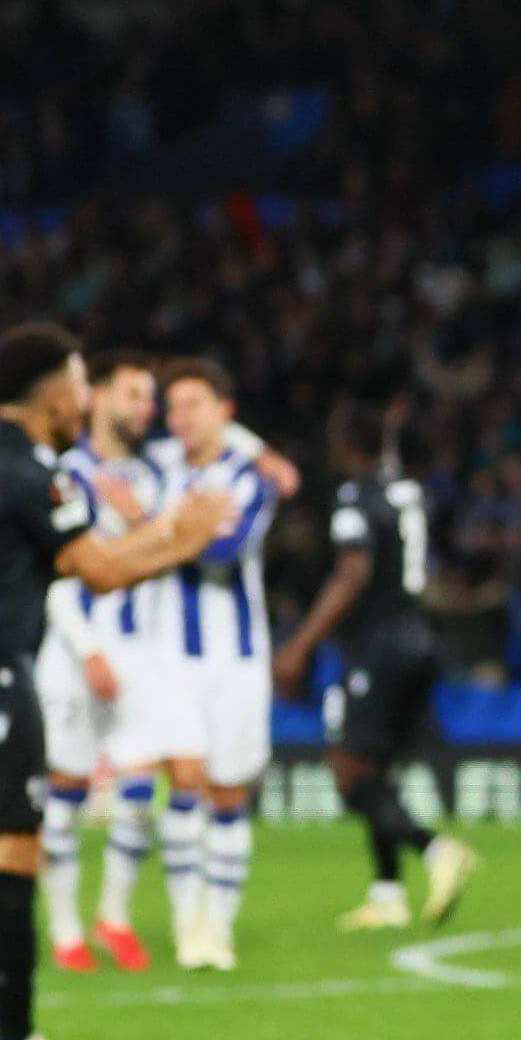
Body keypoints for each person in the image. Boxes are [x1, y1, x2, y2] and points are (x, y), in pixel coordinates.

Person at [0, 324, 231, 1040]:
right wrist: (181, 537)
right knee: (12, 847)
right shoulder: (32, 472)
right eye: (81, 383)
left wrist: (163, 535)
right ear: (54, 392)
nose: (84, 398)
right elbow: (103, 571)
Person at [279, 412, 476, 932]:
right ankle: (387, 893)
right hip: (420, 638)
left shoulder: (354, 499)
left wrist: (299, 646)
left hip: (378, 647)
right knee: (379, 772)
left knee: (347, 773)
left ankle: (435, 849)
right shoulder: (407, 491)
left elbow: (353, 573)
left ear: (345, 445)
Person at [143, 359, 296, 971]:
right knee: (183, 784)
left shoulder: (247, 476)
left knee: (228, 793)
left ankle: (218, 925)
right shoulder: (157, 467)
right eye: (174, 407)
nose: (181, 417)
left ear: (225, 412)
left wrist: (150, 526)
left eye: (195, 404)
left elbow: (227, 551)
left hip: (235, 660)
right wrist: (179, 525)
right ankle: (187, 924)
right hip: (171, 657)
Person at [38, 352, 163, 971]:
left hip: (139, 654)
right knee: (66, 791)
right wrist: (87, 648)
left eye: (150, 398)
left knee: (140, 789)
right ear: (102, 397)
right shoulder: (63, 474)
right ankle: (65, 929)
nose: (145, 408)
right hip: (71, 652)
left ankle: (114, 916)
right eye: (133, 394)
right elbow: (53, 573)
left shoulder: (154, 478)